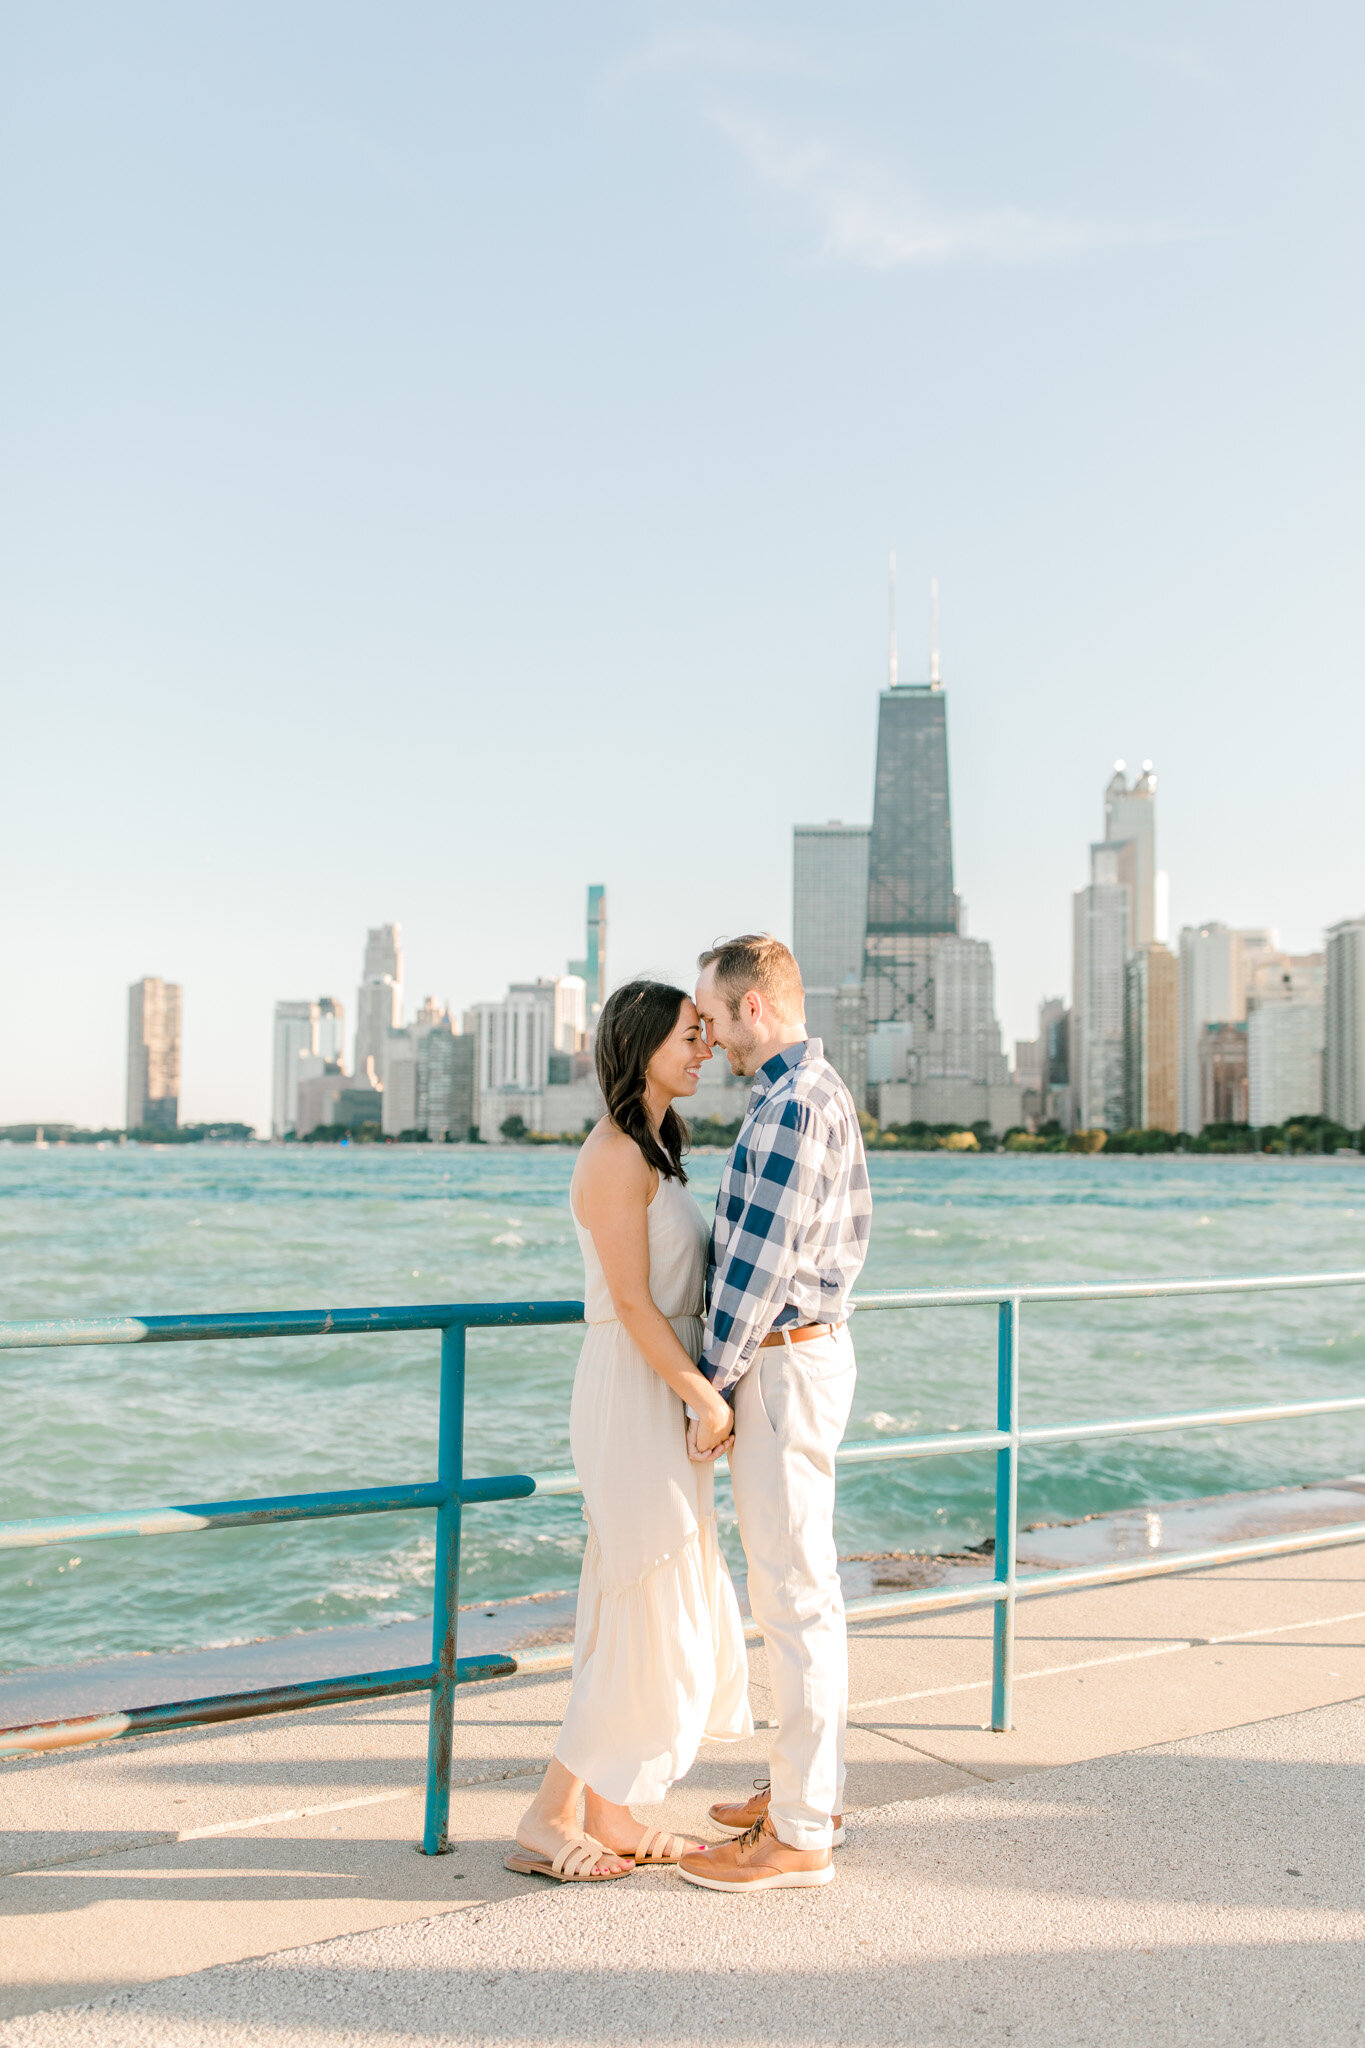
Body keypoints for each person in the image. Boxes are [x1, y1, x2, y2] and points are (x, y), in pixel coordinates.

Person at [506, 980, 752, 1884]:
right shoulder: (615, 1153)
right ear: (641, 1044)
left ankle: (607, 1809)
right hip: (632, 1391)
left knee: (646, 1600)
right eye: (690, 1037)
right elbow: (627, 1302)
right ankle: (545, 1817)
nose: (705, 1051)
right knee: (638, 1593)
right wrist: (702, 1394)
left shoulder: (659, 1144)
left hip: (659, 1384)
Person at [677, 935, 871, 1895]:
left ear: (753, 1008)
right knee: (804, 1593)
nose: (704, 1034)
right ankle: (810, 1791)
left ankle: (799, 1835)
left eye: (709, 1015)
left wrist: (706, 1387)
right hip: (799, 1360)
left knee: (793, 1599)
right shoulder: (808, 1092)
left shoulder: (791, 1104)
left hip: (783, 1365)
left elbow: (755, 1270)